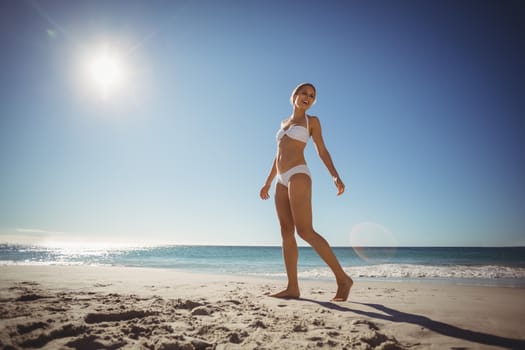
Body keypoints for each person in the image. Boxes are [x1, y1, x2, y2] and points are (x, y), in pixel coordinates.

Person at [259, 82, 353, 301]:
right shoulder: (283, 123)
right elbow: (278, 155)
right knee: (286, 233)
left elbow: (322, 150)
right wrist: (268, 182)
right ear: (294, 95)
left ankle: (343, 279)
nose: (308, 97)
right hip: (281, 180)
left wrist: (335, 175)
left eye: (312, 95)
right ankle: (293, 287)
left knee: (305, 230)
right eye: (304, 93)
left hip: (298, 174)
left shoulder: (312, 122)